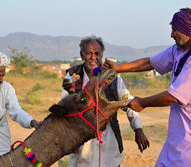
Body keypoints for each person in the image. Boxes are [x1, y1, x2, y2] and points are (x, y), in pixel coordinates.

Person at [102, 8, 191, 167]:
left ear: (188, 30)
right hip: (179, 139)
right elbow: (150, 62)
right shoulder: (179, 51)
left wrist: (142, 103)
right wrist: (118, 68)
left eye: (174, 30)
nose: (171, 35)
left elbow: (172, 97)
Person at [61, 35, 150, 167]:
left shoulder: (112, 77)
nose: (93, 57)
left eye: (96, 53)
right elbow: (63, 108)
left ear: (102, 55)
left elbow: (127, 101)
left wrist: (138, 129)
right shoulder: (73, 75)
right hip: (81, 140)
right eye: (88, 53)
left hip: (108, 140)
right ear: (81, 54)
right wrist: (72, 94)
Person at [0, 50, 42, 160]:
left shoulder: (6, 88)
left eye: (3, 75)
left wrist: (32, 122)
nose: (1, 80)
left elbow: (17, 112)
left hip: (1, 151)